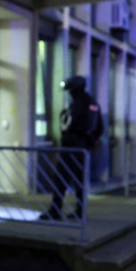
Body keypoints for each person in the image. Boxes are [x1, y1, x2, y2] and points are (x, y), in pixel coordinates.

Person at [42, 75, 104, 221]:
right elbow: (100, 127)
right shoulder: (92, 102)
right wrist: (91, 140)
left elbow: (68, 125)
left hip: (71, 148)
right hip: (83, 148)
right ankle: (80, 211)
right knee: (79, 181)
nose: (69, 93)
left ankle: (55, 211)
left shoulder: (78, 104)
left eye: (70, 90)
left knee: (61, 179)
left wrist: (64, 117)